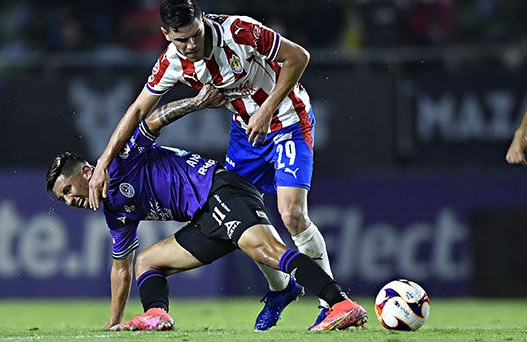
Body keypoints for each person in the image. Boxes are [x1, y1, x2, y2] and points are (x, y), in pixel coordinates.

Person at [87, 0, 334, 330]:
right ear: (165, 35)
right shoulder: (172, 61)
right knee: (240, 210)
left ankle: (328, 306)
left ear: (202, 19)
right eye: (180, 39)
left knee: (291, 214)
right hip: (247, 133)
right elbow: (138, 111)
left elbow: (298, 57)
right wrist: (103, 163)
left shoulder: (240, 31)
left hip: (288, 119)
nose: (189, 45)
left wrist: (266, 109)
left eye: (194, 35)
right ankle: (281, 290)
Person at [46, 84, 367, 332]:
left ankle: (339, 303)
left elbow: (153, 120)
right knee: (146, 262)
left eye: (68, 190)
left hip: (220, 191)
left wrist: (197, 102)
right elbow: (122, 269)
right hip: (204, 218)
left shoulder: (119, 161)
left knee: (267, 250)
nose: (70, 201)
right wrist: (113, 322)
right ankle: (156, 314)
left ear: (87, 171)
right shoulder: (115, 211)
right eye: (63, 200)